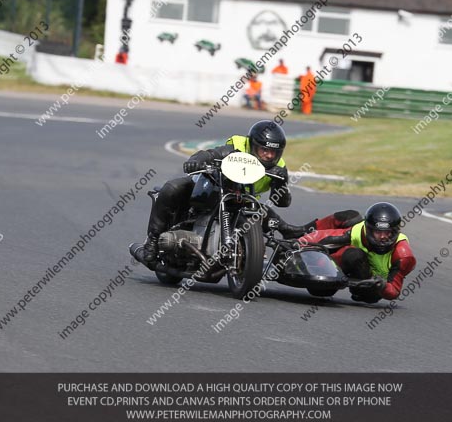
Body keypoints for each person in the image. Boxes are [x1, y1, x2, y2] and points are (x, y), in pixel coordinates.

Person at [130, 120, 291, 268]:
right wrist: (198, 159)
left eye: (274, 152)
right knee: (173, 187)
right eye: (264, 150)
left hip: (245, 203)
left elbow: (283, 202)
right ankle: (151, 243)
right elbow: (212, 154)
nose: (269, 155)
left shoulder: (279, 167)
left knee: (276, 222)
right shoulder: (237, 147)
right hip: (214, 189)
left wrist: (281, 182)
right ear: (252, 145)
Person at [287, 203, 417, 303]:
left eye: (387, 233)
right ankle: (304, 239)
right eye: (378, 232)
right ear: (369, 230)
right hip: (333, 277)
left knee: (356, 259)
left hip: (370, 290)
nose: (383, 237)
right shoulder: (359, 231)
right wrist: (299, 243)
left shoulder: (404, 255)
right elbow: (325, 236)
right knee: (322, 290)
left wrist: (382, 285)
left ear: (395, 231)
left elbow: (394, 291)